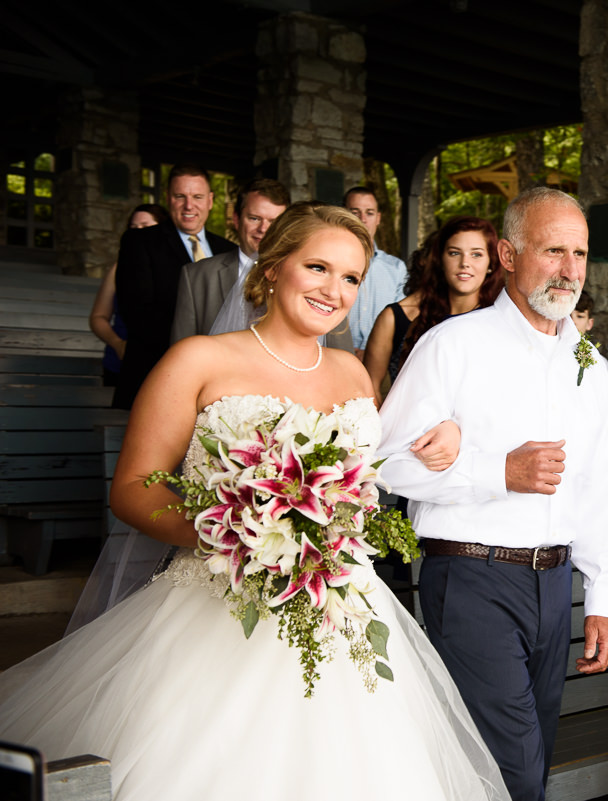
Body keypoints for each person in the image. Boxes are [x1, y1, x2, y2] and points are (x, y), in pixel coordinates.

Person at [0, 204, 509, 801]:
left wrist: (443, 432)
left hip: (340, 609)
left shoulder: (352, 374)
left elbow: (383, 466)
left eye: (350, 278)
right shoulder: (198, 360)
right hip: (218, 603)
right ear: (271, 269)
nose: (334, 290)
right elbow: (135, 487)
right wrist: (236, 533)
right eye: (317, 267)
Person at [376, 187, 608, 801]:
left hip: (553, 583)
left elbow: (600, 483)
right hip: (470, 578)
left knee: (527, 763)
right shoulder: (452, 345)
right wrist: (496, 472)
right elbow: (384, 466)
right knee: (513, 771)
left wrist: (603, 596)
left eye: (579, 253)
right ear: (508, 256)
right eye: (552, 251)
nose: (570, 270)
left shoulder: (589, 363)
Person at [113, 164, 237, 409]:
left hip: (221, 384)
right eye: (181, 196)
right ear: (169, 199)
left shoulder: (228, 249)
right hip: (155, 375)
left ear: (211, 201)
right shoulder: (139, 242)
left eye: (198, 197)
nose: (189, 206)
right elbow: (136, 313)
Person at [363, 216, 503, 402]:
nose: (465, 263)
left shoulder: (503, 322)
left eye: (476, 254)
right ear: (440, 260)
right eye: (454, 253)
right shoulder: (399, 317)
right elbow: (368, 387)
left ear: (491, 264)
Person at [170, 178, 289, 341]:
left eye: (273, 222)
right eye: (254, 218)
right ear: (236, 220)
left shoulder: (299, 276)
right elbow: (180, 349)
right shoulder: (196, 276)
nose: (263, 229)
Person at [89, 204, 169, 386]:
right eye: (133, 227)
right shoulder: (119, 269)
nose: (138, 232)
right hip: (121, 362)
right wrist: (117, 344)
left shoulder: (177, 269)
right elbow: (98, 317)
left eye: (145, 226)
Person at [344, 187, 408, 357]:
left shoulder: (396, 268)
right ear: (343, 214)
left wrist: (369, 350)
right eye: (355, 212)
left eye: (369, 213)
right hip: (331, 356)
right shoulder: (328, 260)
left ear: (378, 218)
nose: (363, 219)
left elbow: (400, 320)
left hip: (380, 360)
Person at [571, 289, 608, 382]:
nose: (573, 322)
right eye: (568, 316)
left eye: (580, 316)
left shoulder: (600, 363)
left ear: (589, 323)